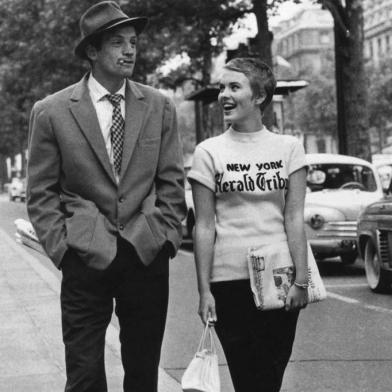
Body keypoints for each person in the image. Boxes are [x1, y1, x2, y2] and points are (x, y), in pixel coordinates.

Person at [26, 2, 186, 391]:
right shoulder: (52, 112)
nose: (129, 51)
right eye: (117, 43)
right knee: (83, 375)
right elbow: (41, 193)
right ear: (93, 52)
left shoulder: (160, 106)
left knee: (143, 373)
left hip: (145, 253)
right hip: (84, 255)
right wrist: (63, 249)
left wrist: (164, 235)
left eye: (132, 42)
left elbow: (172, 182)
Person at [188, 57, 308, 392]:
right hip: (229, 283)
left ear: (258, 97)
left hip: (279, 279)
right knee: (247, 377)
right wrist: (204, 290)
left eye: (234, 87)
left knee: (271, 377)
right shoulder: (208, 152)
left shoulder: (289, 148)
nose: (223, 94)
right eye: (222, 87)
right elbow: (204, 226)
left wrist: (302, 279)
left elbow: (294, 217)